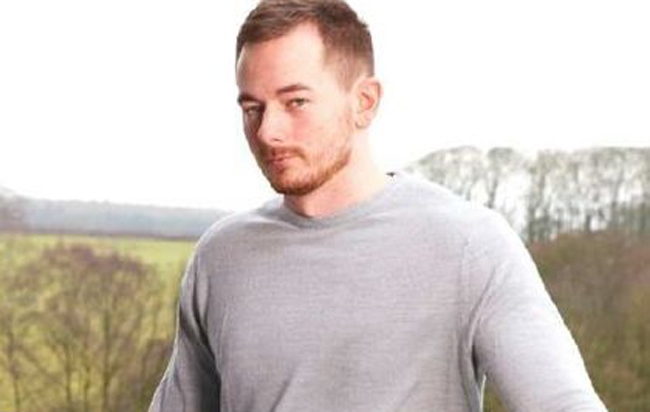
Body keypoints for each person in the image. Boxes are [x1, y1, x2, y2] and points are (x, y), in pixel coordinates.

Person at [149, 0, 608, 411]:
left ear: (364, 103)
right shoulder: (221, 257)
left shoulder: (470, 245)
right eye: (252, 108)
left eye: (296, 102)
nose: (268, 131)